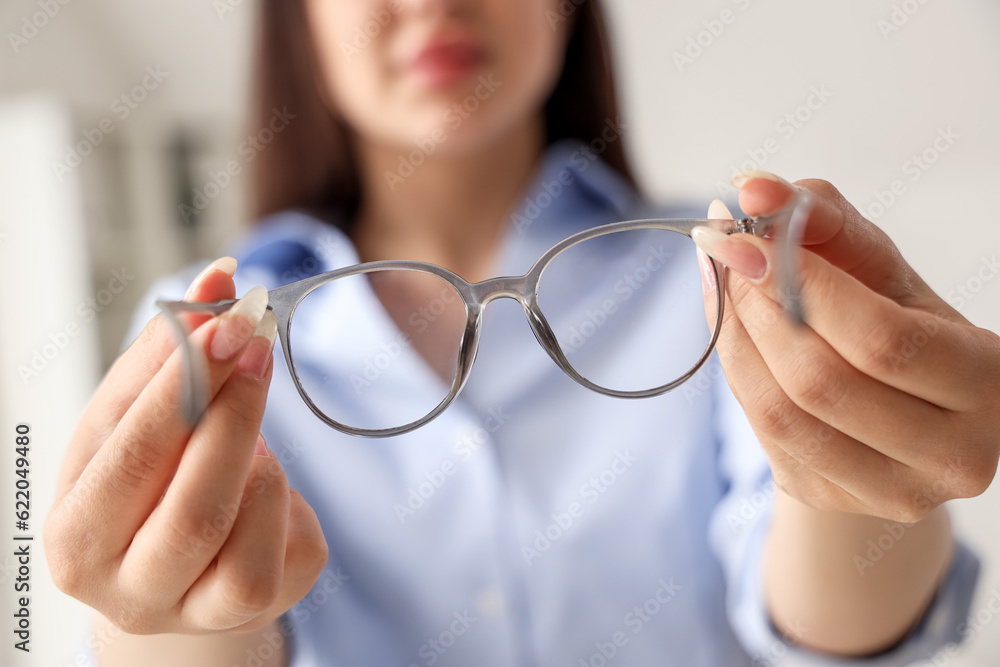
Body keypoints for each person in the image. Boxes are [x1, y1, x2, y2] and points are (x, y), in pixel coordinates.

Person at [44, 0, 999, 665]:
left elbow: (830, 629)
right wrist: (160, 617)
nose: (434, 2)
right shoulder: (210, 324)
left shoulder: (717, 269)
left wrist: (857, 459)